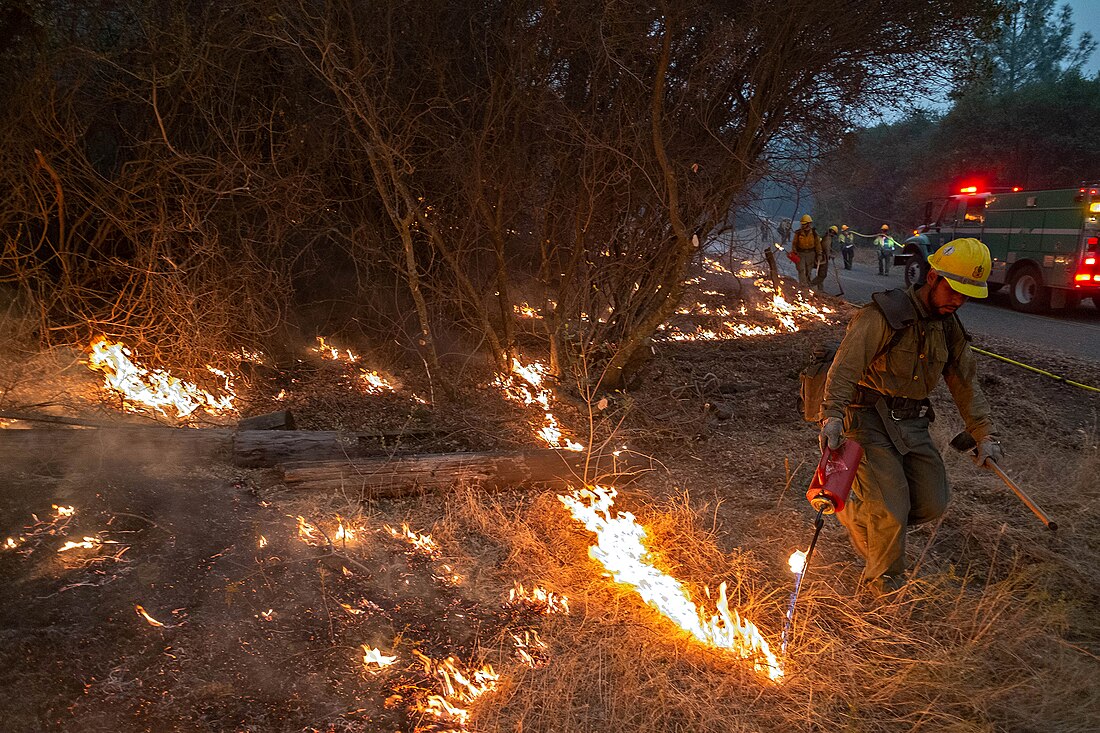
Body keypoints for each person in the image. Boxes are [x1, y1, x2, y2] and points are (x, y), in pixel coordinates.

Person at [818, 238, 1001, 597]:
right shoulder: (883, 315)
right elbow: (844, 368)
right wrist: (832, 416)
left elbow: (965, 382)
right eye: (954, 291)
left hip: (912, 422)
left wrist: (984, 434)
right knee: (890, 507)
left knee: (932, 501)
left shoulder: (949, 326)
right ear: (933, 277)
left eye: (967, 295)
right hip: (865, 419)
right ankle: (884, 587)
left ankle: (856, 510)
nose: (958, 301)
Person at [791, 214, 821, 286]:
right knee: (801, 270)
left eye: (804, 224)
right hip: (800, 254)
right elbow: (794, 244)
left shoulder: (814, 233)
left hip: (811, 254)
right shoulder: (798, 233)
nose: (803, 225)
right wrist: (795, 251)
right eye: (802, 224)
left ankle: (808, 285)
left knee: (808, 271)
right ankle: (803, 285)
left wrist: (819, 254)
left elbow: (818, 244)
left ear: (809, 224)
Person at [812, 225, 838, 292]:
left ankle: (820, 290)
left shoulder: (825, 237)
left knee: (820, 274)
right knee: (822, 275)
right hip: (823, 259)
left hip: (821, 258)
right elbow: (826, 249)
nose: (833, 235)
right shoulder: (828, 238)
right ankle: (810, 285)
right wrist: (830, 255)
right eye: (834, 233)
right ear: (832, 232)